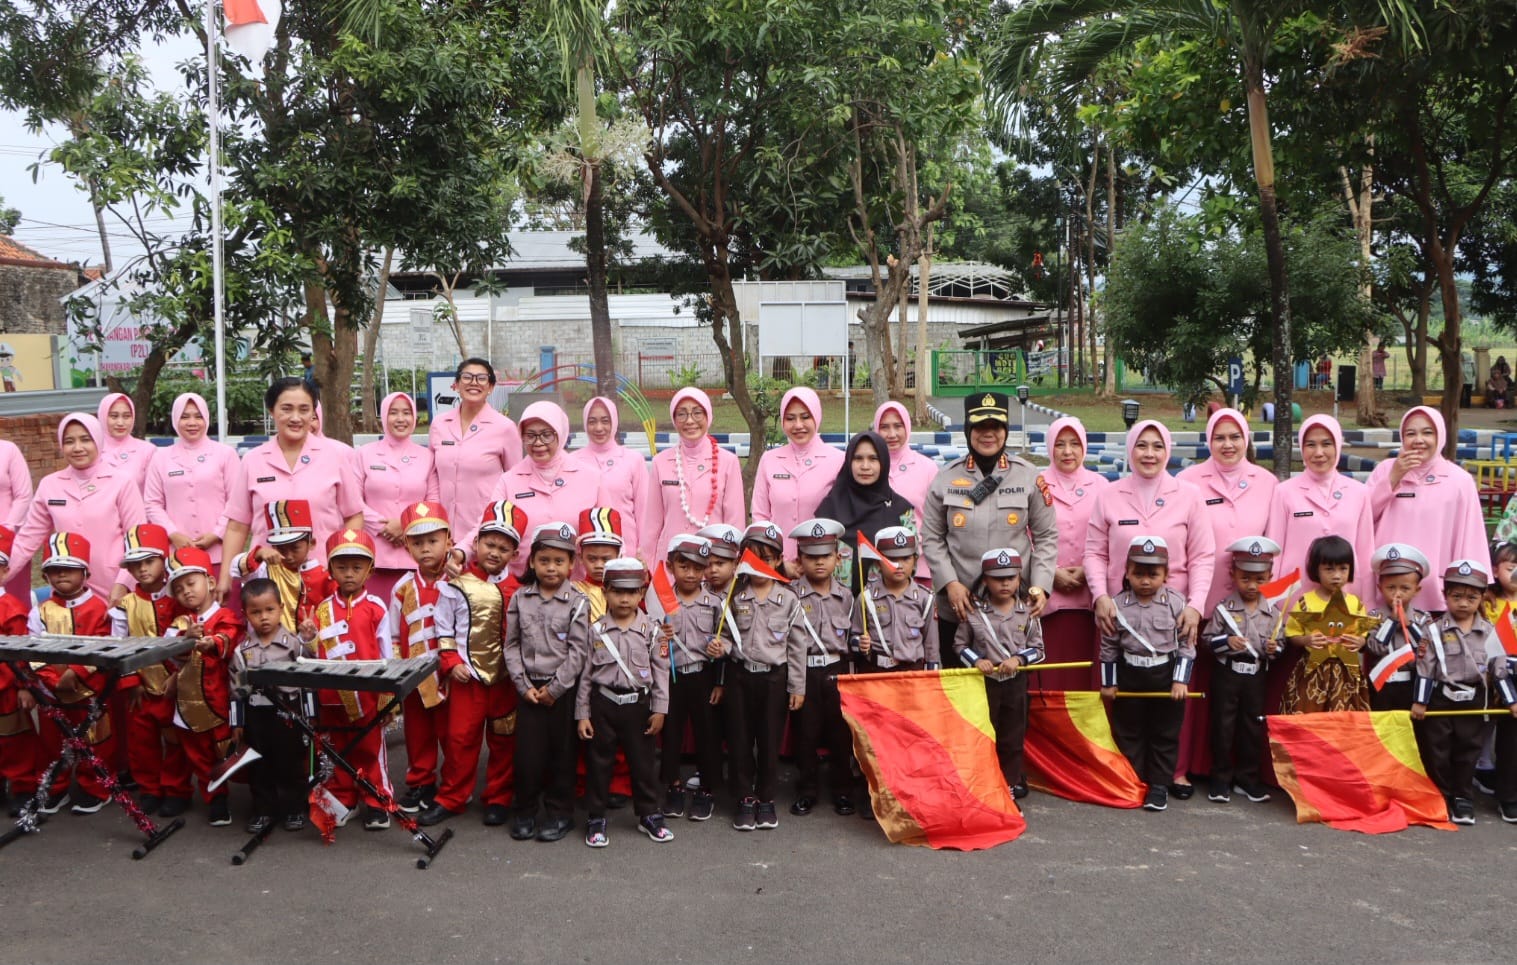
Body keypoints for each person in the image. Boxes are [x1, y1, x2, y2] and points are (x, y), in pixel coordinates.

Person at [1175, 407, 1275, 785]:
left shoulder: (1267, 483)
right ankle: (1199, 766)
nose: (1228, 444)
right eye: (1219, 437)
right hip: (1202, 598)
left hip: (1250, 601)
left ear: (1247, 439)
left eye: (1235, 437)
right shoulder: (1189, 481)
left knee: (1241, 698)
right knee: (1199, 684)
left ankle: (1242, 771)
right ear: (1208, 440)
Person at [922, 393, 1058, 671]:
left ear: (1006, 431)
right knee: (961, 697)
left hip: (1012, 608)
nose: (988, 434)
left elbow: (1046, 537)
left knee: (1011, 696)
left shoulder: (1028, 476)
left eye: (995, 427)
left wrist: (1040, 587)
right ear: (968, 430)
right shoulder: (945, 478)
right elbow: (932, 537)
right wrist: (950, 584)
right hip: (961, 608)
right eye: (980, 427)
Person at [420, 500, 526, 828]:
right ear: (476, 544)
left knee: (504, 740)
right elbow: (444, 628)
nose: (495, 553)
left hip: (505, 680)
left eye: (504, 548)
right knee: (460, 739)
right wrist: (451, 662)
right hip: (468, 679)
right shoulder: (456, 585)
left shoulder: (519, 589)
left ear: (514, 553)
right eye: (489, 544)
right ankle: (452, 796)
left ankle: (498, 797)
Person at [218, 378, 365, 600]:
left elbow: (353, 515)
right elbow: (237, 526)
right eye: (287, 409)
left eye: (304, 409)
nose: (296, 418)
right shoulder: (252, 460)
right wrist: (224, 578)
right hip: (266, 585)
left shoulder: (335, 456)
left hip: (323, 580)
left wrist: (343, 565)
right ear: (271, 411)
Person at [504, 522, 592, 843]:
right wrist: (523, 684)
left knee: (562, 756)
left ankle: (559, 813)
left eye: (559, 561)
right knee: (528, 756)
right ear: (531, 562)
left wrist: (555, 689)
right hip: (529, 690)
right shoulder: (520, 598)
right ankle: (525, 810)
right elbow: (511, 646)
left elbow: (578, 651)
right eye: (544, 561)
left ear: (572, 564)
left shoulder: (578, 602)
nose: (551, 568)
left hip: (561, 693)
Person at [577, 558, 674, 847]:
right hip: (603, 704)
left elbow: (660, 673)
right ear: (605, 591)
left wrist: (660, 709)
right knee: (599, 763)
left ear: (642, 594)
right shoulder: (594, 631)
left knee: (643, 763)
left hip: (638, 706)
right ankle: (596, 817)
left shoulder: (653, 632)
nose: (624, 598)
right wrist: (583, 714)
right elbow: (585, 675)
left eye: (632, 592)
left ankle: (649, 814)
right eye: (617, 591)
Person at [302, 528, 395, 831]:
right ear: (330, 570)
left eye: (357, 567)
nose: (349, 574)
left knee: (369, 749)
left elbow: (386, 653)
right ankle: (344, 798)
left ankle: (376, 801)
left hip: (367, 697)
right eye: (342, 567)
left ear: (370, 570)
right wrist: (308, 638)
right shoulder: (322, 609)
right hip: (331, 696)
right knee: (336, 749)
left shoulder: (377, 607)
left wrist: (388, 696)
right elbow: (314, 653)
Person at [1098, 536, 1195, 812]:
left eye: (1153, 574)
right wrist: (1109, 682)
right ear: (1126, 572)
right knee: (1128, 731)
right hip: (1130, 673)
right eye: (1138, 573)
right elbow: (1108, 645)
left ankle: (1159, 786)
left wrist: (1180, 680)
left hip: (1165, 674)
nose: (1145, 580)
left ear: (1166, 574)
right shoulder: (1117, 604)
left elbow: (1187, 646)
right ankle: (1134, 782)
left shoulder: (1176, 603)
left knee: (1164, 733)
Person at [720, 523, 806, 832]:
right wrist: (721, 646)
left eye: (767, 558)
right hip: (740, 676)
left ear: (779, 559)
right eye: (753, 558)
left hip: (774, 679)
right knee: (740, 739)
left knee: (770, 741)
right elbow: (728, 638)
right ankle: (745, 797)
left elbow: (797, 646)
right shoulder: (735, 597)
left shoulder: (788, 600)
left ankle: (766, 797)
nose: (760, 566)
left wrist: (797, 686)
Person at [1413, 560, 1512, 825]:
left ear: (1482, 597)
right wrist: (1420, 702)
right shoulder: (1432, 631)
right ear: (1445, 596)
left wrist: (1511, 701)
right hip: (1442, 698)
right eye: (1456, 596)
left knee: (1468, 751)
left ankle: (1462, 797)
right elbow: (1425, 667)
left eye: (1471, 597)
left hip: (1474, 700)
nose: (1464, 603)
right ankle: (1441, 795)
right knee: (1438, 751)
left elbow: (1499, 670)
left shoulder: (1489, 632)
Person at [12, 413, 146, 603]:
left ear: (98, 441)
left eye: (85, 440)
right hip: (68, 591)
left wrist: (123, 584)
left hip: (115, 587)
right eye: (69, 441)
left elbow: (137, 541)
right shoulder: (50, 485)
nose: (77, 448)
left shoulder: (122, 482)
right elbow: (27, 540)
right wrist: (4, 570)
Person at [1367, 407, 1487, 613]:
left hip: (1436, 591)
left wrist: (1473, 584)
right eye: (1410, 433)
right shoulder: (1386, 469)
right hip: (1387, 588)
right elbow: (1362, 516)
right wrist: (1394, 477)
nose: (1419, 440)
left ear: (1440, 435)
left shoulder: (1459, 480)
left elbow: (1470, 536)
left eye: (1427, 432)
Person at [27, 533, 114, 815]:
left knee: (95, 741)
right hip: (51, 693)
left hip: (90, 691)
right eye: (54, 569)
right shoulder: (40, 611)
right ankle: (55, 787)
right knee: (51, 743)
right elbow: (32, 649)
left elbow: (105, 647)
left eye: (69, 568)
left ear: (85, 573)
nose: (61, 573)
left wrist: (76, 673)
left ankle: (95, 788)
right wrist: (53, 681)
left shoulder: (100, 609)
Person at [953, 547, 1045, 799]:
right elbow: (959, 646)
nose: (1005, 583)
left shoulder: (1028, 612)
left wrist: (1018, 659)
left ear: (1019, 579)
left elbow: (1039, 649)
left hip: (1015, 683)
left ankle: (1010, 782)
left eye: (1011, 577)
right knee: (984, 734)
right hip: (985, 684)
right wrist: (976, 661)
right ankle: (985, 782)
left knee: (1013, 736)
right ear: (985, 580)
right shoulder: (974, 612)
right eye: (997, 578)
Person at [111, 524, 189, 818]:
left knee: (176, 740)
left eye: (149, 562)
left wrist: (179, 677)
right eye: (135, 564)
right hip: (140, 686)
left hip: (174, 684)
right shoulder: (124, 605)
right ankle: (149, 789)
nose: (142, 570)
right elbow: (119, 647)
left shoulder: (180, 598)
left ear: (163, 560)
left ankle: (177, 790)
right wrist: (131, 681)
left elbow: (188, 642)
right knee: (142, 743)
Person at [469, 402, 598, 579]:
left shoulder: (590, 477)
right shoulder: (510, 479)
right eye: (530, 435)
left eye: (546, 435)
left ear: (560, 433)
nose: (538, 443)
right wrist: (462, 551)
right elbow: (485, 525)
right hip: (524, 587)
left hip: (577, 585)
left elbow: (611, 531)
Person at [164, 545, 243, 826]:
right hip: (188, 703)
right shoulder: (177, 622)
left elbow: (229, 638)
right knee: (197, 755)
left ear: (210, 582)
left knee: (223, 751)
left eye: (191, 582)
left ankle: (229, 793)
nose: (186, 591)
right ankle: (214, 798)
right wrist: (185, 638)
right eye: (179, 588)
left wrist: (211, 641)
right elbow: (170, 651)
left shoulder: (225, 616)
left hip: (219, 700)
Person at [1202, 537, 1283, 805]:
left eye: (1260, 579)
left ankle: (1247, 780)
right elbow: (1207, 640)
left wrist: (1275, 649)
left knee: (1252, 727)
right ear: (1233, 574)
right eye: (1245, 578)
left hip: (1256, 675)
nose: (1252, 586)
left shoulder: (1273, 612)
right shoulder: (1225, 609)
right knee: (1223, 726)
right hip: (1228, 674)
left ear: (1270, 576)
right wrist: (1226, 642)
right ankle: (1220, 780)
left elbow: (1279, 645)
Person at [787, 518, 857, 817]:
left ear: (836, 558)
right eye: (811, 557)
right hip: (806, 671)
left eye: (825, 556)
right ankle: (807, 790)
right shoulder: (790, 595)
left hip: (837, 670)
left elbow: (852, 640)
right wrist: (796, 684)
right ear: (800, 559)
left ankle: (843, 790)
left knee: (841, 735)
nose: (819, 563)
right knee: (806, 735)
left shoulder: (846, 596)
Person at [231, 578, 313, 834]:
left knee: (290, 763)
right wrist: (237, 722)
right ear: (245, 615)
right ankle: (263, 809)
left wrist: (311, 717)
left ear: (280, 608)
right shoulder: (241, 652)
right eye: (256, 612)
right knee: (259, 764)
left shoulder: (294, 644)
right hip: (257, 715)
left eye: (270, 610)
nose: (264, 617)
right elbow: (235, 690)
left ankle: (294, 808)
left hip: (288, 713)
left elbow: (309, 679)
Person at [1265, 414, 1377, 600]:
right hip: (1294, 599)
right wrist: (1271, 602)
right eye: (1311, 445)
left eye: (1326, 444)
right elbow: (1275, 553)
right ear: (1301, 448)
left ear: (1337, 446)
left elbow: (1366, 553)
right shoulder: (1284, 492)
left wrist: (1368, 603)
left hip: (1345, 598)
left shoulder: (1359, 492)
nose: (1318, 452)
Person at [388, 501, 452, 815]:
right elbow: (394, 635)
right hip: (415, 674)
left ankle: (454, 786)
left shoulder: (458, 582)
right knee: (417, 733)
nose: (425, 548)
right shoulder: (402, 588)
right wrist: (400, 669)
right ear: (407, 546)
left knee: (452, 734)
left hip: (450, 674)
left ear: (449, 541)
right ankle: (421, 782)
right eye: (417, 542)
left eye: (432, 541)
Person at [656, 535, 726, 822]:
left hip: (704, 677)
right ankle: (673, 786)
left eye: (698, 568)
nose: (691, 574)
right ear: (672, 567)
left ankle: (706, 790)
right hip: (671, 677)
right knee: (671, 735)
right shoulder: (661, 601)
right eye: (684, 567)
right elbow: (651, 644)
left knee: (707, 735)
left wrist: (720, 681)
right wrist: (661, 637)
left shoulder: (714, 602)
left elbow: (726, 641)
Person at [1037, 416, 1109, 690]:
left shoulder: (1101, 485)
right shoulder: (1037, 483)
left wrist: (1086, 569)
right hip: (1047, 599)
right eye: (1060, 444)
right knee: (1052, 680)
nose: (1068, 452)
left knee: (1085, 680)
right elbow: (1025, 534)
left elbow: (1108, 536)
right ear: (1050, 447)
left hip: (1089, 597)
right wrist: (1049, 572)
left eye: (1075, 444)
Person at [640, 387, 746, 563]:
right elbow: (652, 525)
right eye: (682, 414)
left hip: (713, 567)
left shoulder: (728, 462)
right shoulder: (660, 462)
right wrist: (648, 569)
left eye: (697, 413)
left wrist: (730, 565)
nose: (690, 421)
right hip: (671, 566)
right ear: (674, 420)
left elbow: (735, 524)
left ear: (708, 416)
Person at [358, 392, 438, 602]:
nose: (400, 419)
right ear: (383, 416)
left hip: (415, 552)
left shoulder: (427, 457)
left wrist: (407, 526)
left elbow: (432, 502)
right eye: (394, 413)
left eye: (406, 413)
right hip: (373, 554)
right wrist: (383, 527)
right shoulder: (364, 454)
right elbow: (354, 501)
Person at [428, 357, 522, 536]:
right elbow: (431, 474)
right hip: (441, 531)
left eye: (481, 378)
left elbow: (515, 481)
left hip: (485, 531)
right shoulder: (439, 424)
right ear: (456, 384)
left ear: (491, 387)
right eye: (467, 377)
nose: (474, 383)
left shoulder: (505, 428)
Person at [751, 387, 845, 565]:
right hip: (778, 566)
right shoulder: (769, 460)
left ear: (816, 416)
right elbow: (760, 515)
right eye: (790, 418)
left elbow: (843, 519)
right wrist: (775, 561)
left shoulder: (838, 460)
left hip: (821, 567)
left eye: (805, 417)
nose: (798, 425)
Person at [144, 392, 240, 567]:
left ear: (207, 418)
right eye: (184, 417)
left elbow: (236, 501)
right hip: (177, 554)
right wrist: (173, 534)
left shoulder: (225, 454)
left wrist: (217, 534)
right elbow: (152, 503)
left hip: (221, 551)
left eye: (198, 416)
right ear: (174, 419)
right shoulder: (161, 457)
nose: (192, 423)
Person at [1280, 536, 1370, 714]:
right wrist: (1306, 640)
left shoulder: (1356, 604)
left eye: (1343, 569)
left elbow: (1363, 636)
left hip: (1346, 673)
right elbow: (1292, 635)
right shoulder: (1305, 603)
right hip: (1313, 671)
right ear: (1316, 570)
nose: (1336, 576)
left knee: (1343, 719)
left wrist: (1360, 643)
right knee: (1308, 716)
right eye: (1329, 569)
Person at [814, 431, 913, 588]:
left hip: (886, 608)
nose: (865, 466)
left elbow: (911, 563)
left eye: (873, 459)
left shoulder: (901, 511)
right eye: (858, 458)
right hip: (836, 606)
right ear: (848, 462)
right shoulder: (829, 509)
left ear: (884, 462)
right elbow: (815, 562)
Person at [226, 500, 330, 633]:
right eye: (281, 549)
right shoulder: (264, 569)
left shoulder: (322, 575)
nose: (289, 555)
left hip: (309, 645)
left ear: (312, 543)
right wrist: (258, 553)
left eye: (295, 548)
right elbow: (235, 570)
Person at [570, 397, 650, 555]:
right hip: (588, 553)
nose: (599, 428)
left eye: (605, 421)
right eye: (592, 421)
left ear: (614, 421)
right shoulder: (572, 462)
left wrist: (643, 551)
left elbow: (644, 510)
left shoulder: (633, 459)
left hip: (627, 550)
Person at [853, 526, 938, 673]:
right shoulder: (866, 598)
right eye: (891, 559)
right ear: (878, 562)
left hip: (912, 672)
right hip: (876, 672)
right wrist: (859, 643)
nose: (899, 565)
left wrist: (932, 675)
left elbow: (931, 645)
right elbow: (854, 636)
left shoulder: (926, 598)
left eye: (906, 558)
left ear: (915, 560)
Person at [872, 401, 942, 582]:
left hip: (919, 568)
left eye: (898, 426)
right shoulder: (866, 467)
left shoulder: (927, 468)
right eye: (884, 427)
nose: (892, 434)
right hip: (876, 569)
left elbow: (937, 520)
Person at [1363, 543, 1433, 712]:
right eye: (1391, 588)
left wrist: (1410, 626)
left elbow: (1427, 650)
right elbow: (1375, 649)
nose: (1397, 594)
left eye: (1405, 588)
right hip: (1382, 683)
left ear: (1417, 590)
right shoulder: (1373, 617)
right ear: (1380, 589)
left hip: (1412, 685)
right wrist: (1392, 622)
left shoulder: (1423, 618)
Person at [0, 526, 40, 817]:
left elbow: (23, 653)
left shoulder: (10, 607)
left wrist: (26, 685)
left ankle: (25, 787)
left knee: (16, 743)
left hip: (7, 688)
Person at [96, 392, 156, 492]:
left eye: (126, 416)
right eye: (114, 416)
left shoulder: (147, 451)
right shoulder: (93, 450)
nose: (120, 423)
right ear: (103, 417)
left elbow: (153, 494)